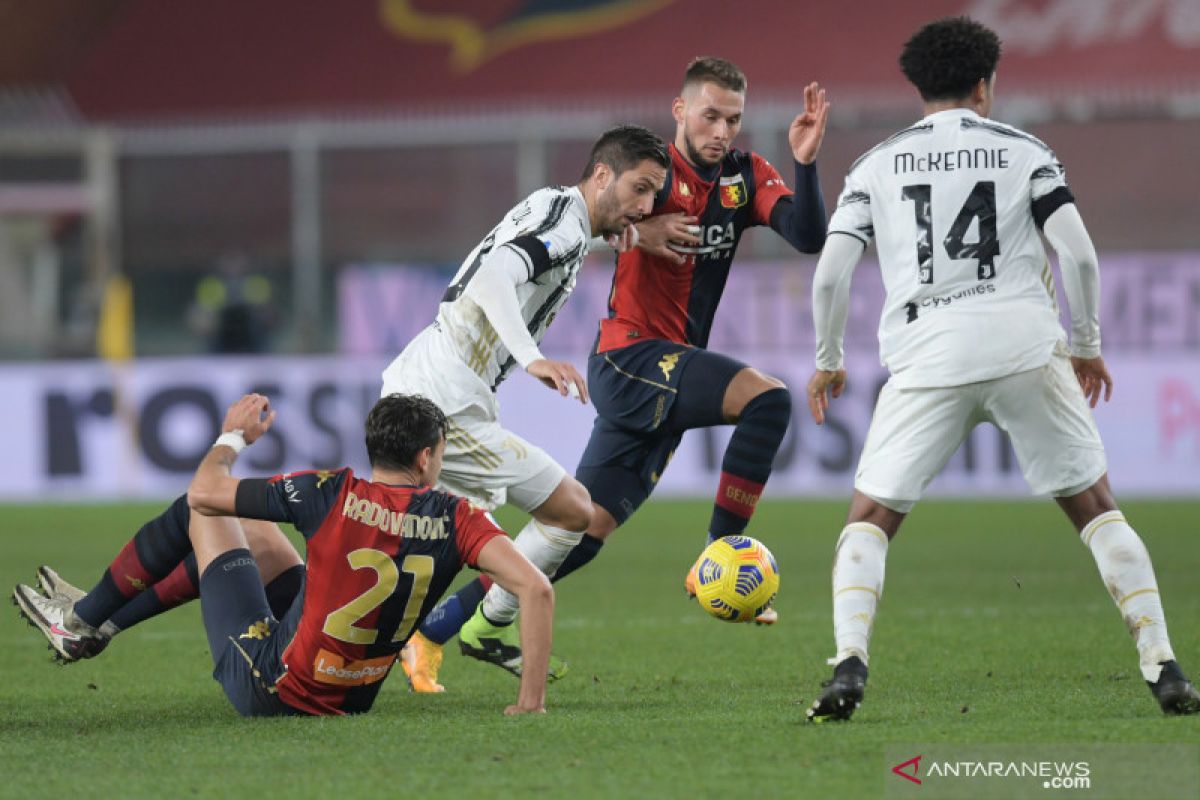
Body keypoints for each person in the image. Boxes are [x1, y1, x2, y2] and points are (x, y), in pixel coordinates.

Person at [802, 16, 1199, 721]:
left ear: (918, 86)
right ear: (985, 85)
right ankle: (1164, 667)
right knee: (1096, 509)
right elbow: (1077, 254)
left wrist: (828, 361)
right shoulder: (1025, 152)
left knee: (867, 520)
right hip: (1023, 345)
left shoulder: (876, 165)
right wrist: (1087, 342)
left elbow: (831, 276)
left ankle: (849, 668)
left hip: (929, 356)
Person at [408, 56, 829, 690]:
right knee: (767, 402)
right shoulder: (649, 172)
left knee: (583, 528)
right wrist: (636, 231)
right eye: (710, 115)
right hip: (631, 357)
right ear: (680, 110)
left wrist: (805, 160)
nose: (722, 131)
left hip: (670, 369)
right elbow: (591, 214)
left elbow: (808, 235)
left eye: (734, 119)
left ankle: (444, 631)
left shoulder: (745, 176)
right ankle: (720, 556)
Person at [15, 392, 556, 716]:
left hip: (275, 687)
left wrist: (232, 436)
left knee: (198, 513)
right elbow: (536, 588)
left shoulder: (330, 491)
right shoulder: (458, 517)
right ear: (424, 458)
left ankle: (81, 619)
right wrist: (530, 702)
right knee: (250, 528)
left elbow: (206, 490)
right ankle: (100, 626)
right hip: (355, 694)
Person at [381, 124, 669, 689]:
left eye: (654, 195)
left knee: (422, 539)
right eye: (640, 189)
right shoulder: (563, 221)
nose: (646, 205)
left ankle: (368, 635)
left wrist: (618, 233)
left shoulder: (564, 216)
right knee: (571, 512)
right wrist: (533, 358)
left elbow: (550, 248)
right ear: (603, 175)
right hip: (446, 400)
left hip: (434, 383)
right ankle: (484, 627)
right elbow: (493, 278)